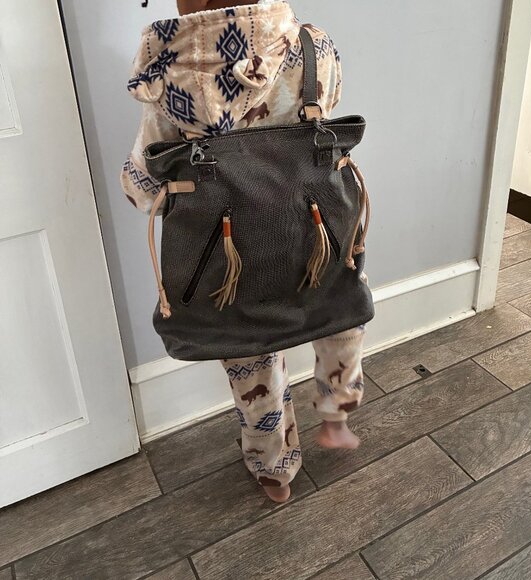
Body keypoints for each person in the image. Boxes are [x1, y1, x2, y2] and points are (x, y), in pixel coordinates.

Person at [121, 0, 366, 503]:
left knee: (249, 352)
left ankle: (274, 468)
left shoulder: (168, 72)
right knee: (333, 306)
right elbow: (325, 113)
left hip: (228, 249)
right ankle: (337, 413)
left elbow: (143, 187)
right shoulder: (313, 45)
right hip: (313, 225)